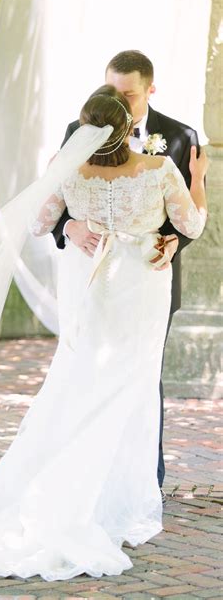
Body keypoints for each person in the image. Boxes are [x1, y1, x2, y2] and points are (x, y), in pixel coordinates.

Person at [0, 87, 207, 580]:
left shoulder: (70, 170)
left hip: (92, 292)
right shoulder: (160, 171)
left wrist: (73, 220)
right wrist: (198, 179)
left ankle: (76, 487)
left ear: (86, 130)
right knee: (130, 390)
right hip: (140, 290)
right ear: (125, 126)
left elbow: (37, 223)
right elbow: (194, 224)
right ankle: (112, 499)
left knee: (83, 385)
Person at [51, 51, 201, 498]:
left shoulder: (179, 135)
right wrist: (69, 227)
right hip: (93, 276)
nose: (116, 100)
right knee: (88, 368)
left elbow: (185, 216)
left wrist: (175, 241)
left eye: (128, 93)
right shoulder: (77, 132)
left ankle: (142, 480)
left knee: (141, 374)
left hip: (148, 277)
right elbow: (54, 201)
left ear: (150, 90)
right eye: (111, 90)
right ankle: (84, 476)